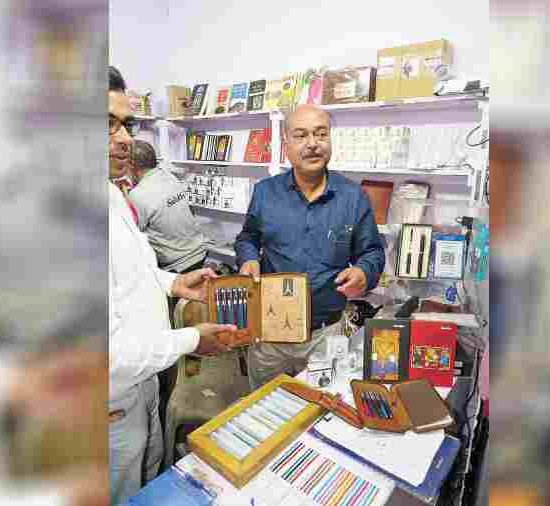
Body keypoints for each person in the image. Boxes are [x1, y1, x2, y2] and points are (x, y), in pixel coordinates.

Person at [108, 65, 235, 505]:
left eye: (127, 124)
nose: (124, 139)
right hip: (110, 406)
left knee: (148, 479)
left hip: (141, 387)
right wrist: (190, 339)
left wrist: (175, 282)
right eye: (107, 124)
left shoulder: (112, 195)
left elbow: (132, 269)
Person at [234, 104, 385, 389]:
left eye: (321, 134)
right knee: (265, 409)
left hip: (325, 335)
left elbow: (372, 251)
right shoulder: (265, 193)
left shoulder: (353, 197)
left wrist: (364, 272)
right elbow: (247, 238)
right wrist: (249, 258)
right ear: (286, 145)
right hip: (270, 334)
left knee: (319, 410)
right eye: (301, 135)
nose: (313, 144)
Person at [127, 139, 210, 274]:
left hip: (178, 266)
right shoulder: (169, 176)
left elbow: (132, 234)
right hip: (199, 253)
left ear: (131, 166)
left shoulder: (137, 195)